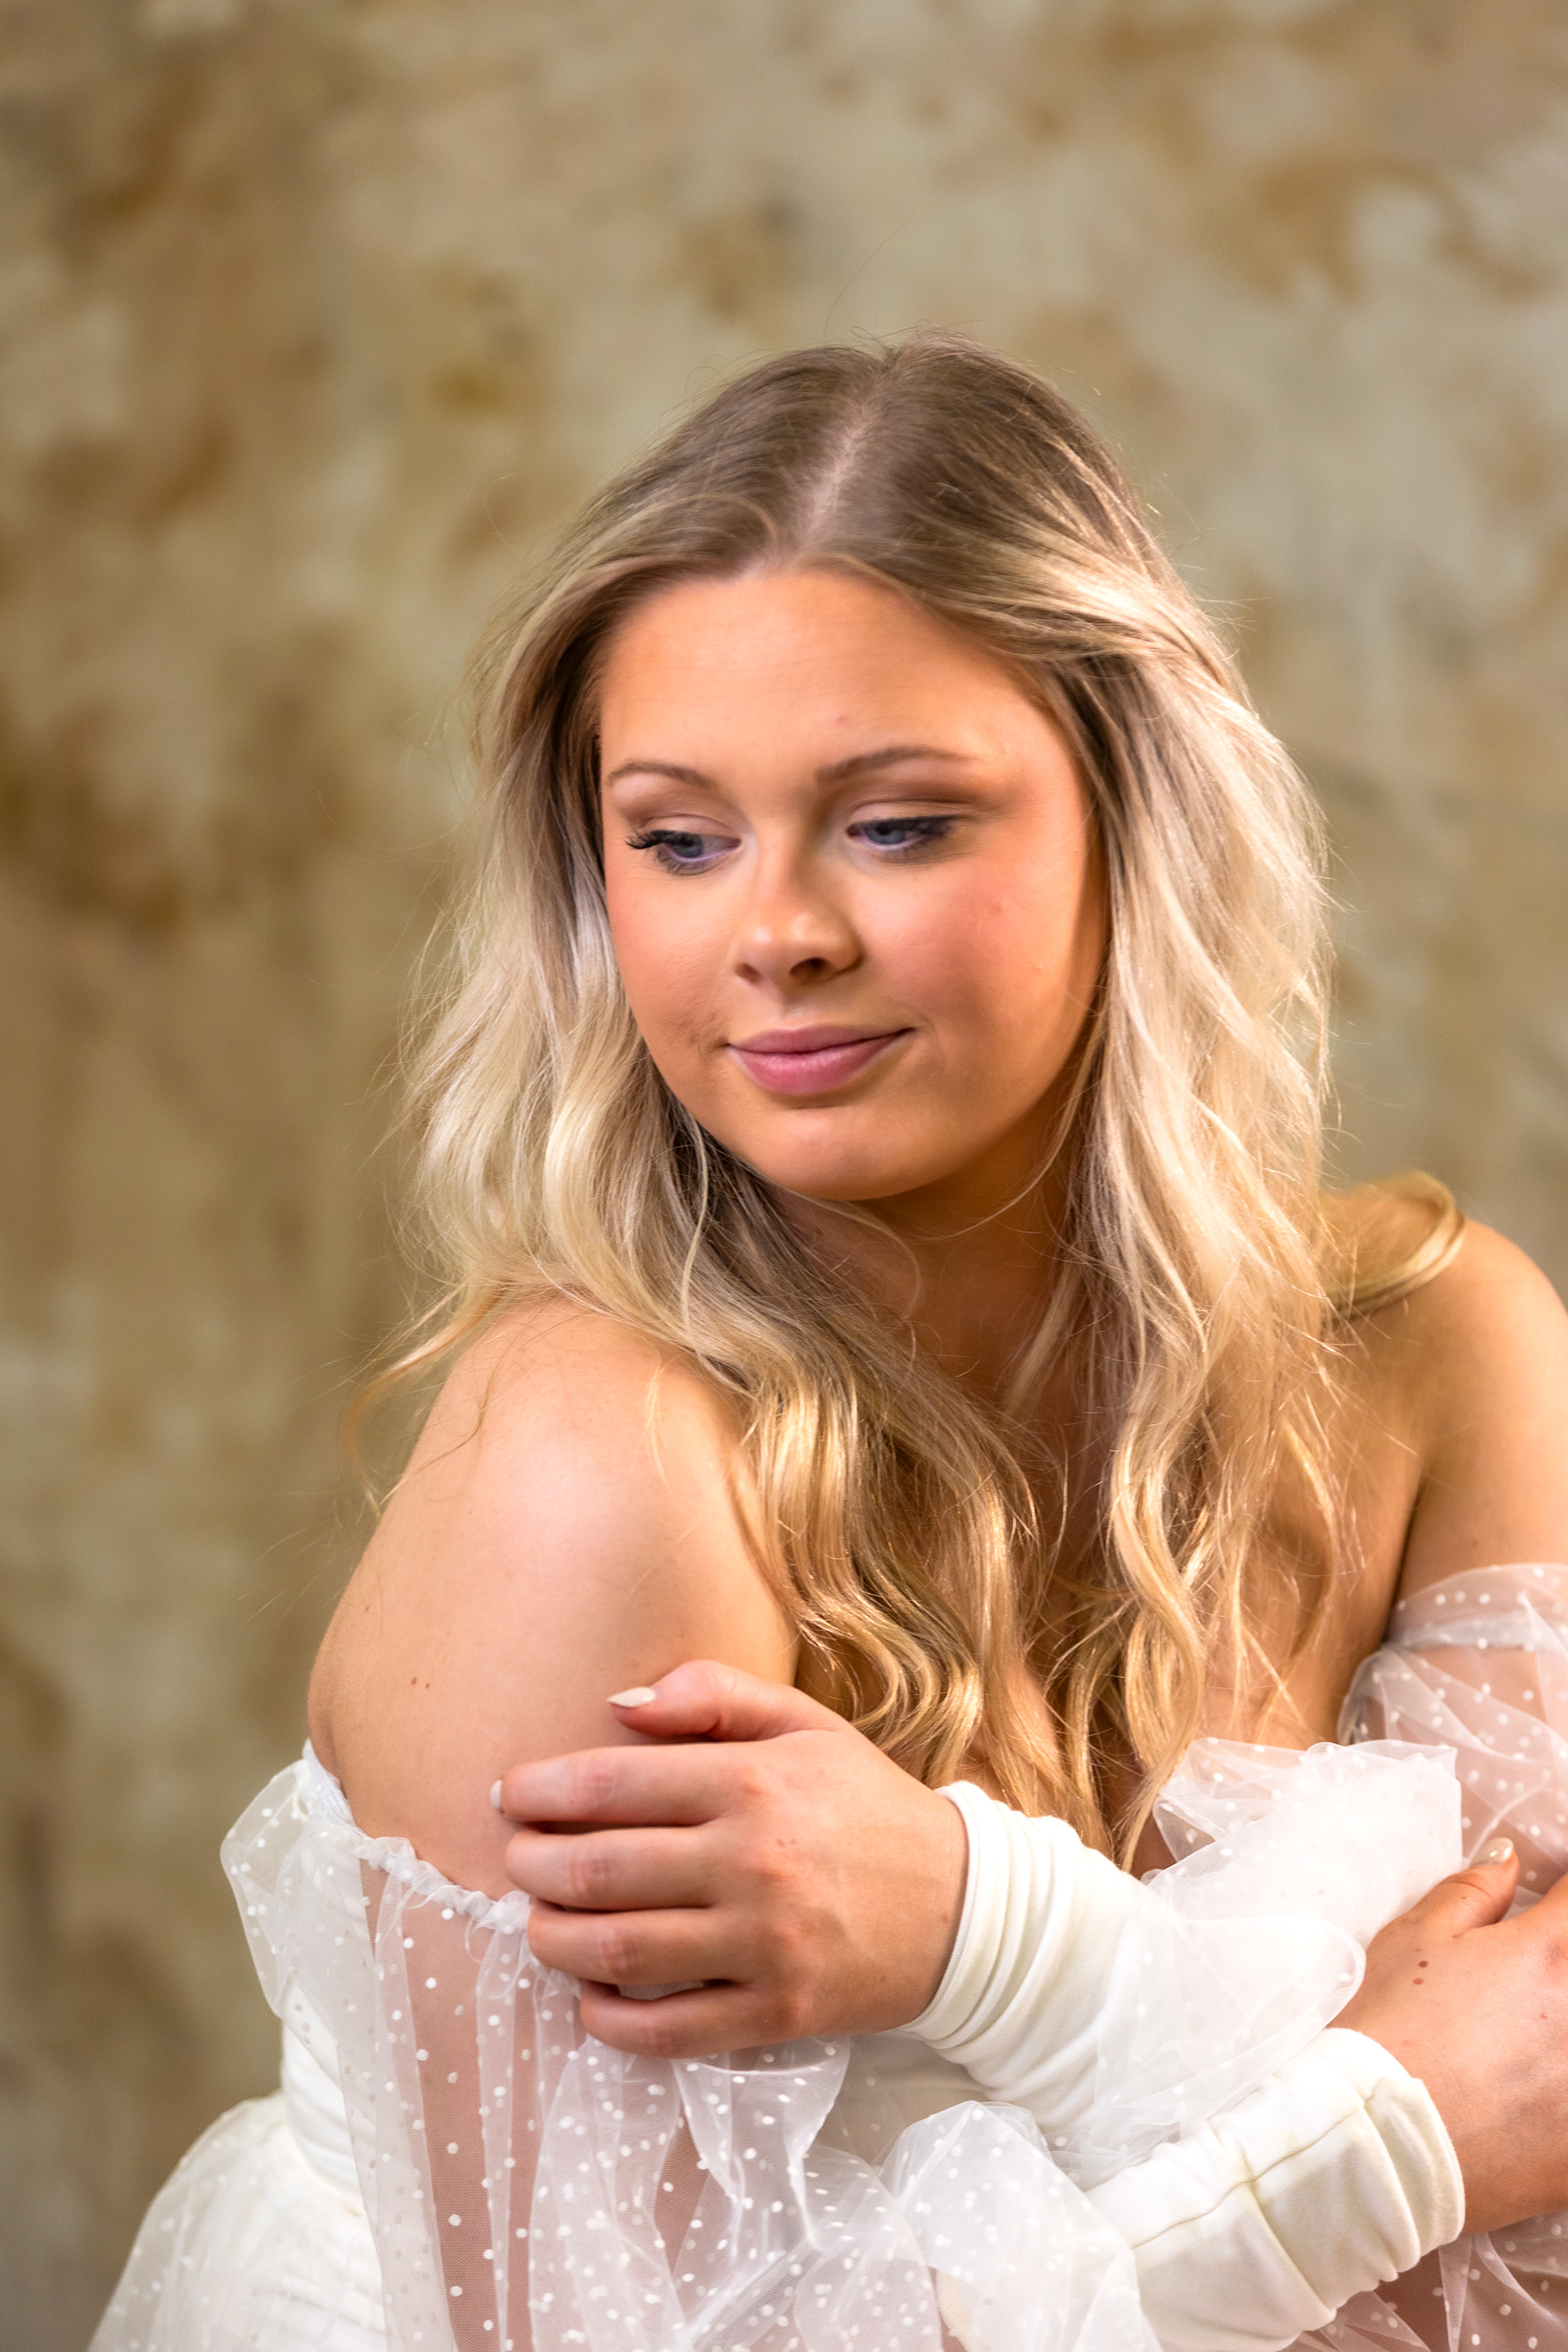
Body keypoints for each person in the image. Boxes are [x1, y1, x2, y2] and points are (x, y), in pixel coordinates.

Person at [92, 336, 1568, 2352]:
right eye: (679, 840)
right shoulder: (594, 1477)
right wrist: (1372, 2139)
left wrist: (972, 1932)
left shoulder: (1443, 1346)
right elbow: (1462, 2134)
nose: (774, 931)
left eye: (897, 825)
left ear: (1138, 820)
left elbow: (1528, 2209)